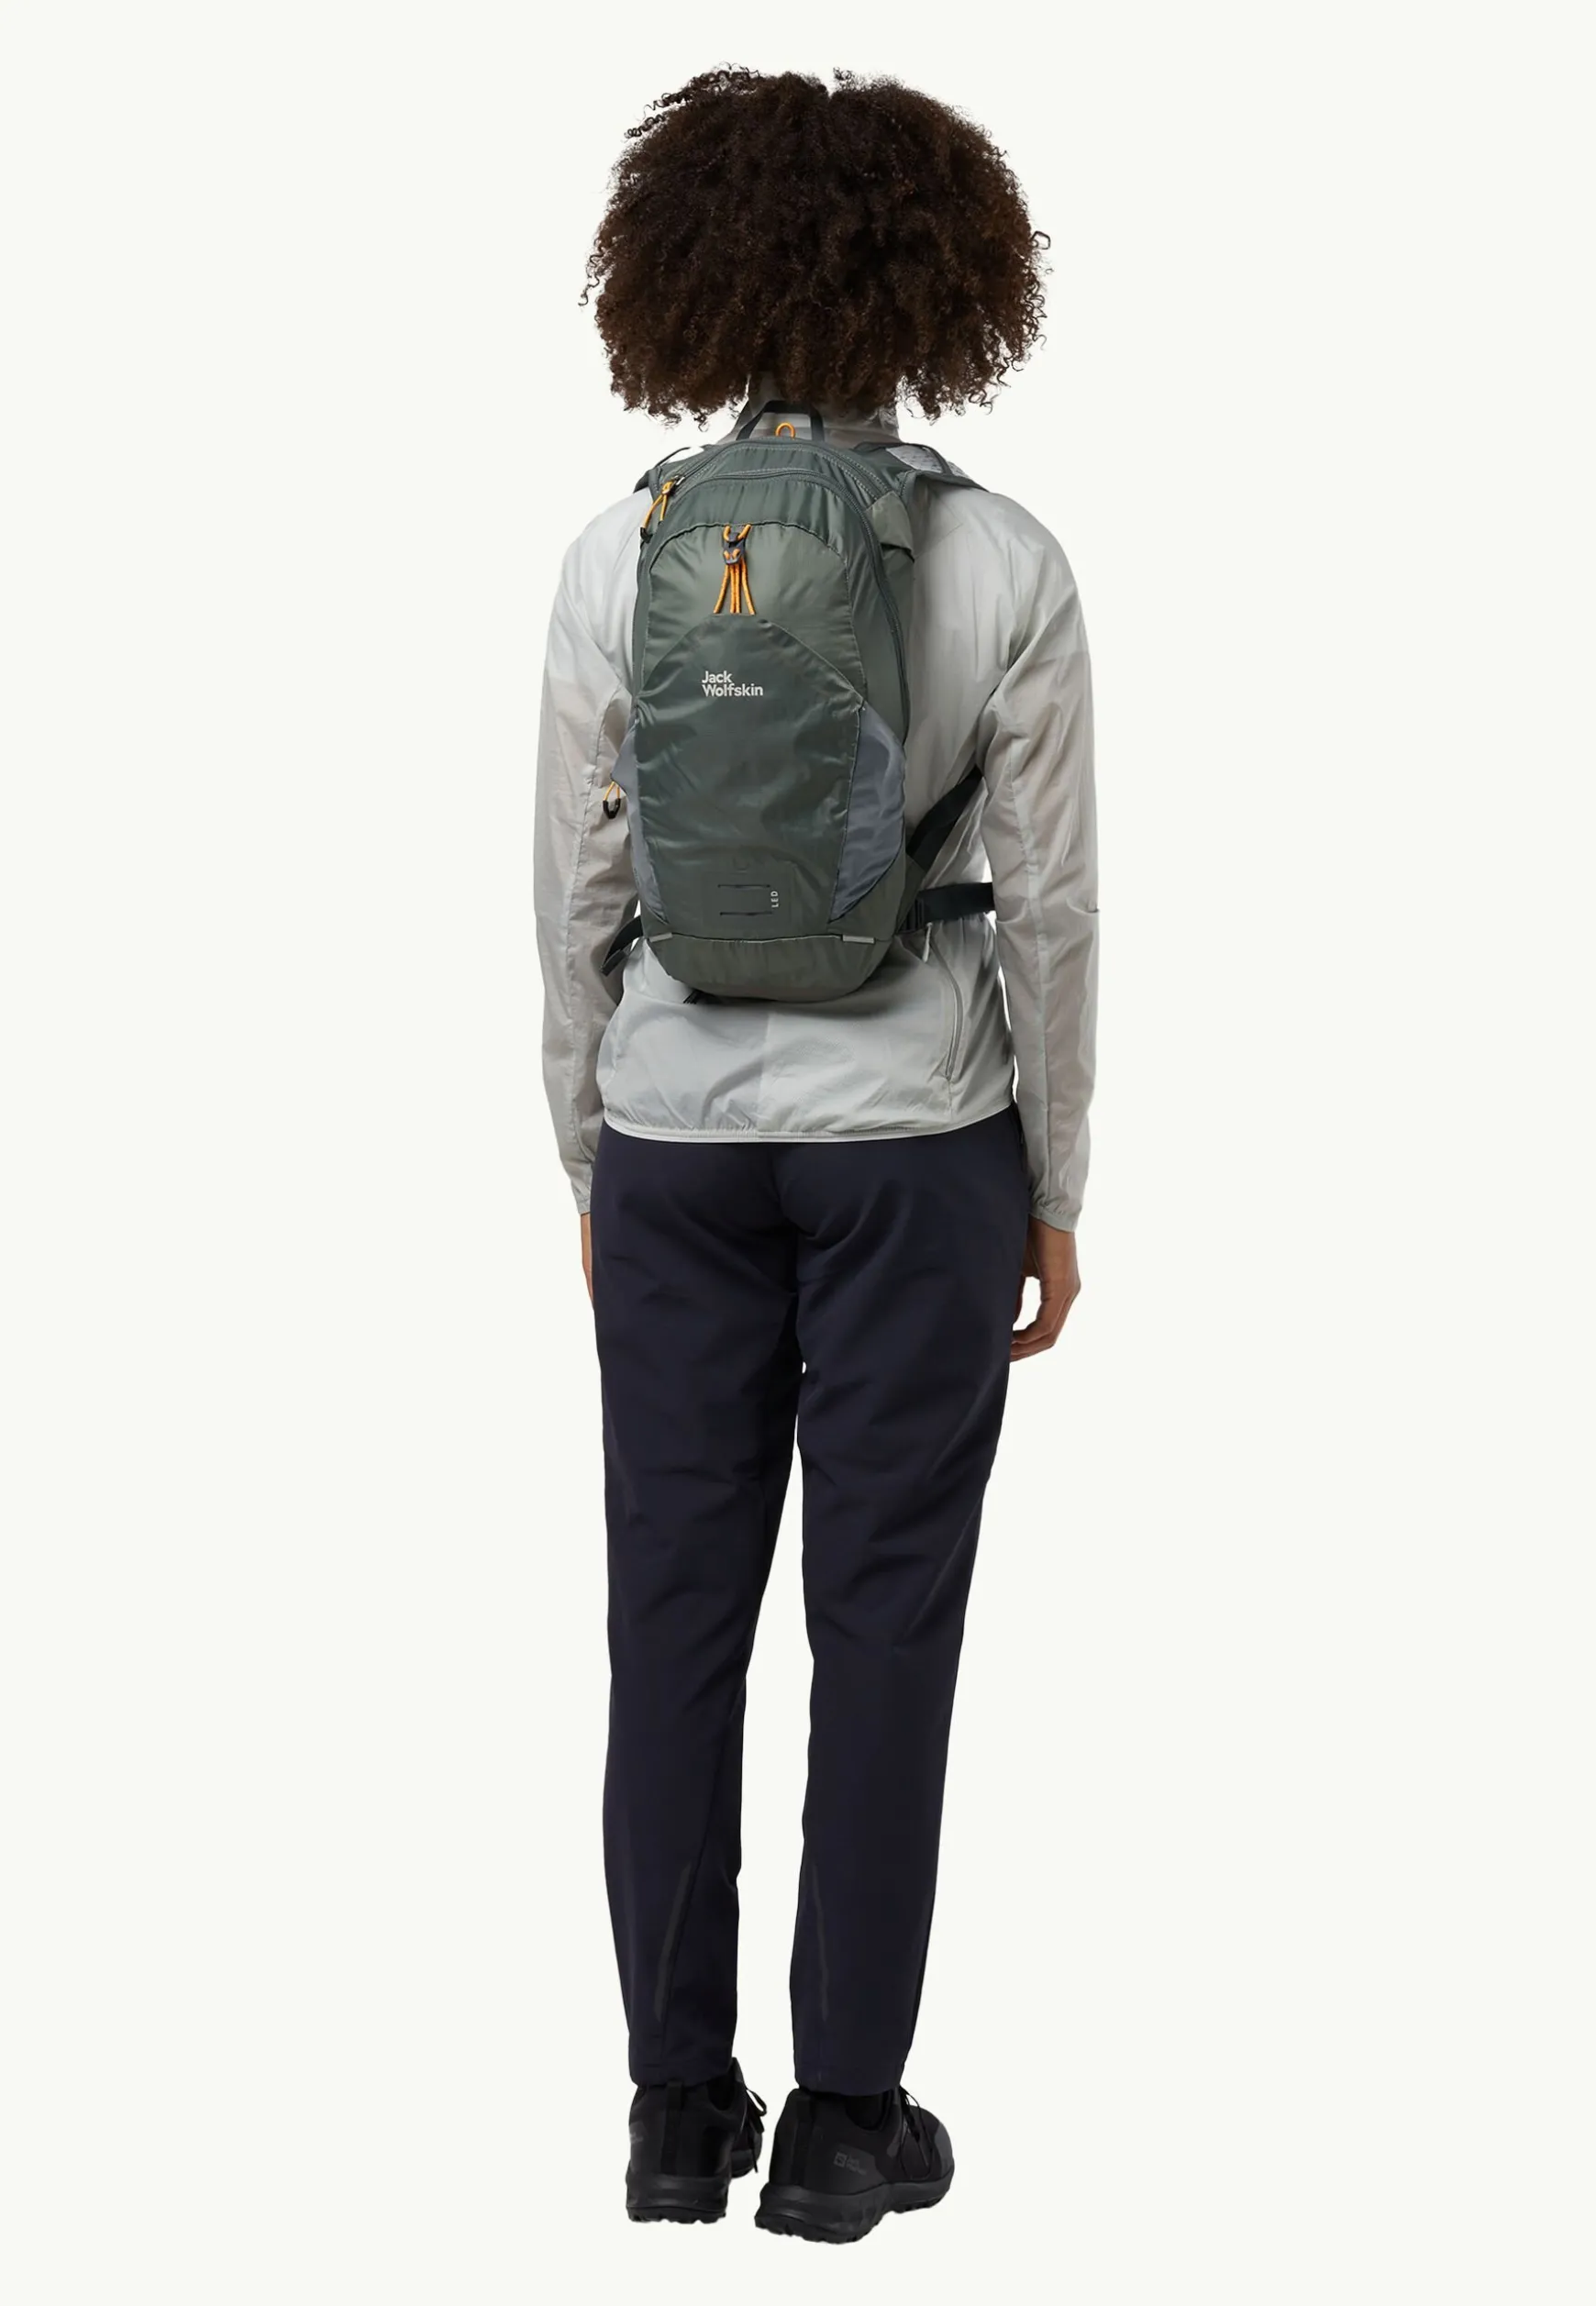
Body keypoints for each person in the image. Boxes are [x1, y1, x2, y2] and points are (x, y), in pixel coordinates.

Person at [536, 67, 1097, 2244]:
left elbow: (574, 890)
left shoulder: (625, 552)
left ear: (686, 279)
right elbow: (1049, 908)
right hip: (918, 1142)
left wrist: (587, 1152)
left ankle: (677, 2111)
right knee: (884, 1620)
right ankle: (847, 2128)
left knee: (671, 1617)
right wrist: (1056, 1182)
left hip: (674, 1142)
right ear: (940, 288)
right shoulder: (1005, 560)